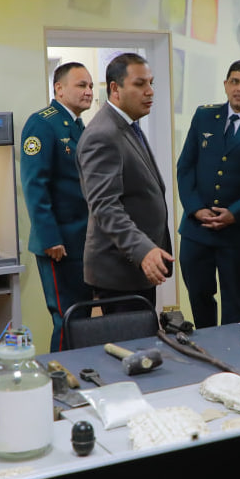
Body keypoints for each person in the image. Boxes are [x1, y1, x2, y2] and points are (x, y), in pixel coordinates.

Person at [176, 60, 240, 328]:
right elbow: (185, 167)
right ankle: (206, 347)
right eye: (234, 81)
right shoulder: (204, 115)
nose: (239, 88)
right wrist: (195, 208)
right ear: (225, 84)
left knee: (236, 303)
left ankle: (232, 351)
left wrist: (236, 213)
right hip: (197, 229)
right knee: (198, 296)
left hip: (238, 232)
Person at [76, 53, 173, 313]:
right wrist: (143, 250)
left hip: (136, 267)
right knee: (131, 339)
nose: (150, 91)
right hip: (120, 271)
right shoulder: (102, 134)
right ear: (115, 88)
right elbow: (105, 206)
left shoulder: (127, 125)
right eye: (140, 84)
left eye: (151, 83)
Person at [20, 62, 94, 351]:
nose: (88, 91)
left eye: (90, 86)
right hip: (59, 243)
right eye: (81, 85)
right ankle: (60, 374)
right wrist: (50, 237)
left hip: (82, 239)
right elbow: (34, 185)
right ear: (59, 89)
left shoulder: (76, 125)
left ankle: (80, 372)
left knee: (82, 318)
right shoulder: (43, 123)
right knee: (68, 318)